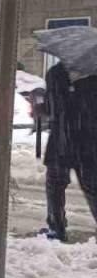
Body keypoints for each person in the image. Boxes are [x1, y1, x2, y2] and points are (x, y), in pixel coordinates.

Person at [40, 61, 97, 242]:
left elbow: (51, 108)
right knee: (92, 187)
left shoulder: (56, 73)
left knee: (55, 185)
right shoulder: (93, 74)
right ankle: (56, 226)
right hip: (88, 142)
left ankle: (56, 227)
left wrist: (41, 107)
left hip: (62, 140)